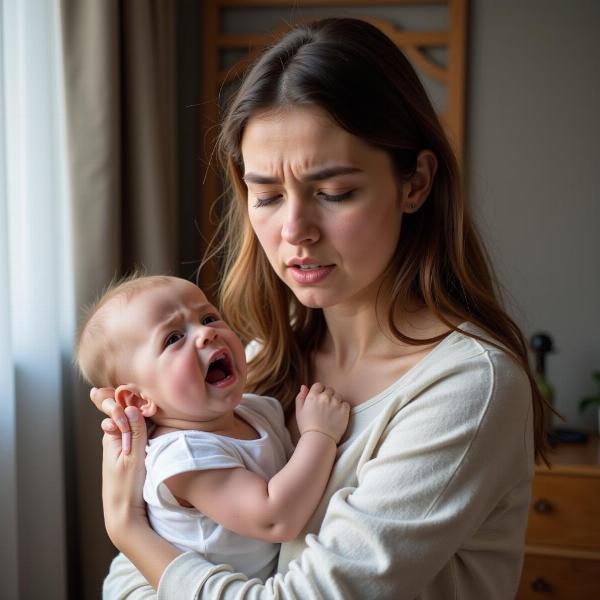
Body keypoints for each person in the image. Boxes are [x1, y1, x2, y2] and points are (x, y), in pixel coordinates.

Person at [91, 17, 548, 599]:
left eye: (334, 193)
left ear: (416, 183)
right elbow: (131, 584)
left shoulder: (465, 389)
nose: (295, 231)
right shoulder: (259, 357)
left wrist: (127, 527)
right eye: (268, 196)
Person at [77, 274, 349, 582]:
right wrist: (319, 435)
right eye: (172, 338)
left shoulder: (256, 409)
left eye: (207, 317)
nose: (206, 333)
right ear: (139, 399)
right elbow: (276, 519)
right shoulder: (184, 457)